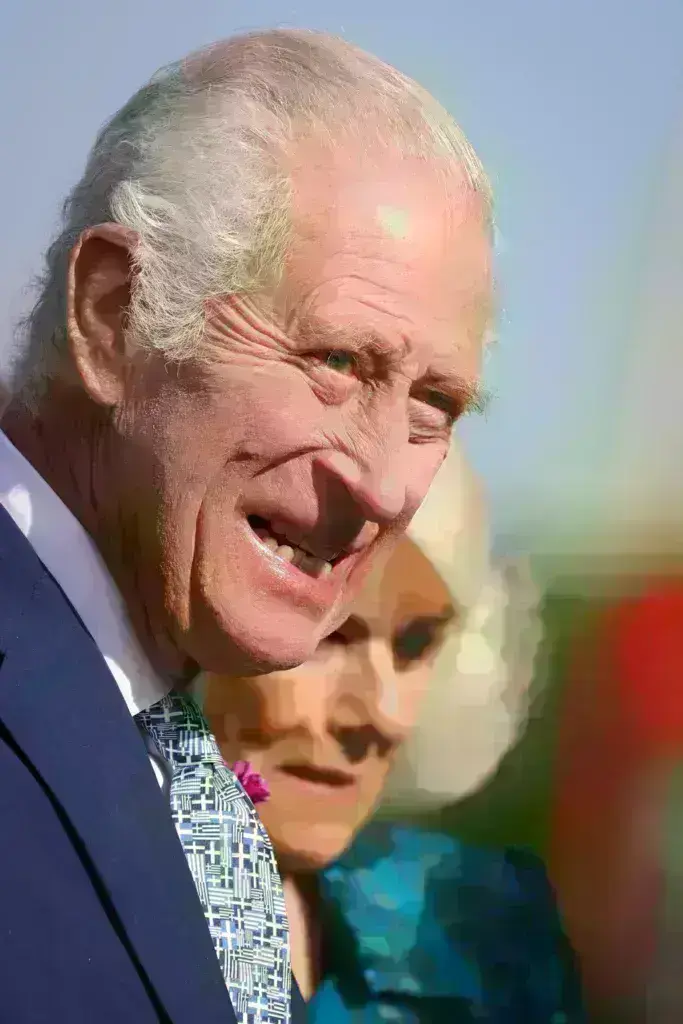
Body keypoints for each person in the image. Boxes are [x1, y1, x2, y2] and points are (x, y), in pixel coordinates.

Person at [0, 27, 492, 1024]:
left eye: (433, 403)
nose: (384, 486)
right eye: (337, 362)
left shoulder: (166, 733)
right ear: (115, 315)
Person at [204, 441, 586, 1022]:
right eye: (329, 634)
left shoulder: (487, 931)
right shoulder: (72, 899)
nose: (385, 713)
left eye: (416, 643)